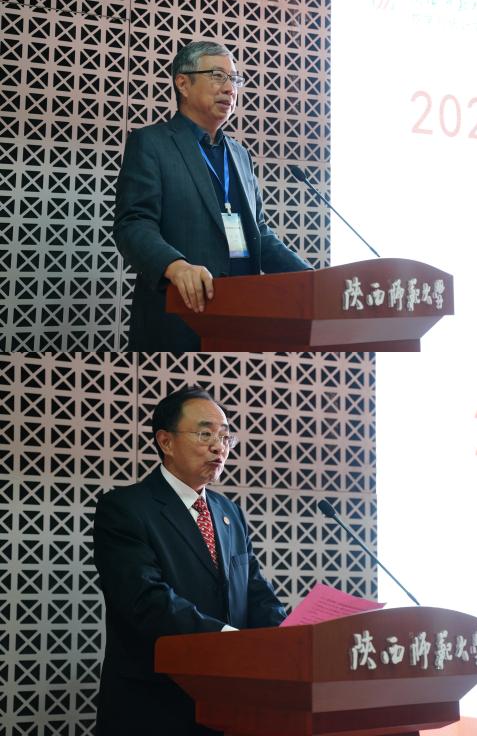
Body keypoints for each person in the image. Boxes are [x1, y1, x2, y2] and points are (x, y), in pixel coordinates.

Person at [92, 387, 287, 736]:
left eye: (225, 437)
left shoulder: (230, 513)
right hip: (155, 707)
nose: (219, 447)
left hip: (230, 705)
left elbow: (255, 591)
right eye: (205, 434)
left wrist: (289, 639)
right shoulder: (125, 508)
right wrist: (227, 639)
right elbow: (145, 601)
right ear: (166, 442)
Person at [112, 40, 312, 352]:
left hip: (244, 321)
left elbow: (259, 234)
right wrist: (176, 266)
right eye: (218, 76)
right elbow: (133, 225)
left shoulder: (240, 155)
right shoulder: (151, 143)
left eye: (234, 79)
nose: (230, 89)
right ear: (183, 84)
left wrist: (312, 281)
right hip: (181, 321)